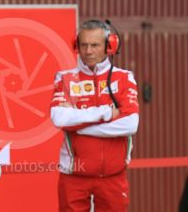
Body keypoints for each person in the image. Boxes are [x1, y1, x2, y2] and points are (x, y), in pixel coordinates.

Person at [50, 20, 139, 212]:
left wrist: (79, 123)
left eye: (95, 45)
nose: (88, 51)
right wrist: (106, 112)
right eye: (83, 45)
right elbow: (59, 118)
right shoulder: (64, 78)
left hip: (113, 176)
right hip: (73, 175)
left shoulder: (124, 77)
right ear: (77, 45)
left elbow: (130, 124)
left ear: (109, 46)